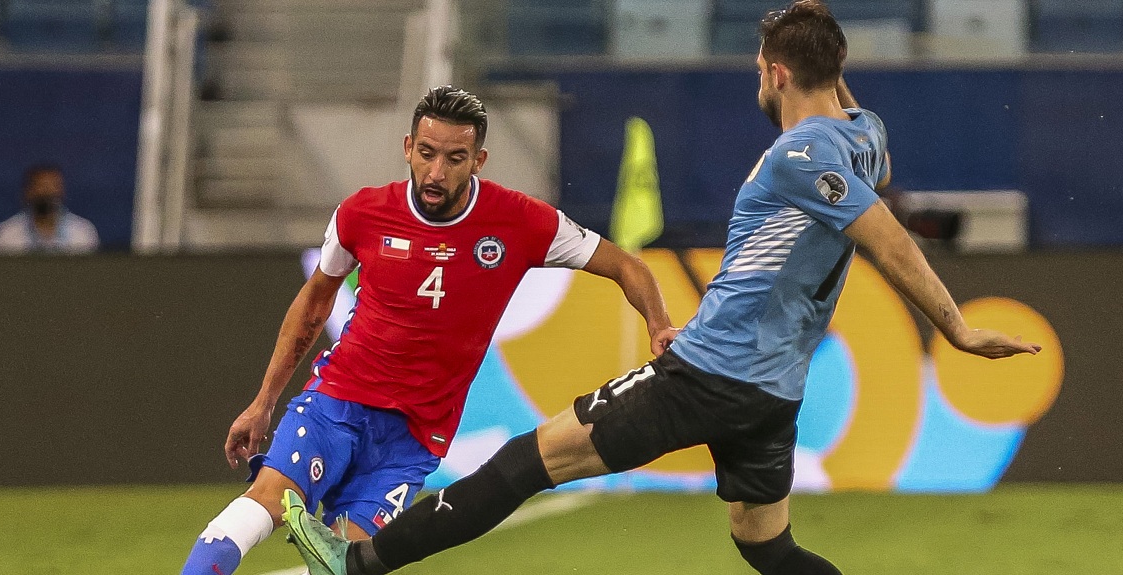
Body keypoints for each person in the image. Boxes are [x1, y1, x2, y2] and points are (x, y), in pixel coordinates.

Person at [279, 3, 1042, 575]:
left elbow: (886, 237)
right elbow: (856, 142)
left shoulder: (802, 152)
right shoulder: (866, 131)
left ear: (775, 73)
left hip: (711, 370)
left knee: (525, 461)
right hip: (773, 392)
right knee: (764, 542)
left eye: (758, 67)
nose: (757, 78)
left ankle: (358, 564)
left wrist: (955, 326)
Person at [179, 85, 677, 575]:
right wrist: (263, 401)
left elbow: (626, 265)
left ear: (479, 160)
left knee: (346, 567)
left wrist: (658, 326)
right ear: (407, 148)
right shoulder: (362, 213)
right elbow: (314, 303)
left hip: (415, 438)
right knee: (263, 503)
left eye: (455, 158)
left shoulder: (520, 221)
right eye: (426, 153)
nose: (436, 172)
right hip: (339, 400)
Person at [0, 164, 100, 255]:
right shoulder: (6, 234)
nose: (48, 193)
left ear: (63, 192)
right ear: (28, 193)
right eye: (41, 187)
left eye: (54, 187)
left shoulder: (83, 233)